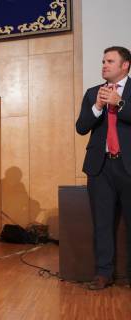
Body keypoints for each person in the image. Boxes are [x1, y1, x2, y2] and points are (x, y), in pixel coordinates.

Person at [76, 46, 131, 290]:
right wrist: (97, 107)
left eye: (110, 61)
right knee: (102, 223)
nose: (104, 65)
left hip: (128, 166)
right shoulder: (92, 93)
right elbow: (81, 127)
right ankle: (103, 273)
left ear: (125, 65)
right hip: (100, 168)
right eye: (103, 61)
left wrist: (120, 104)